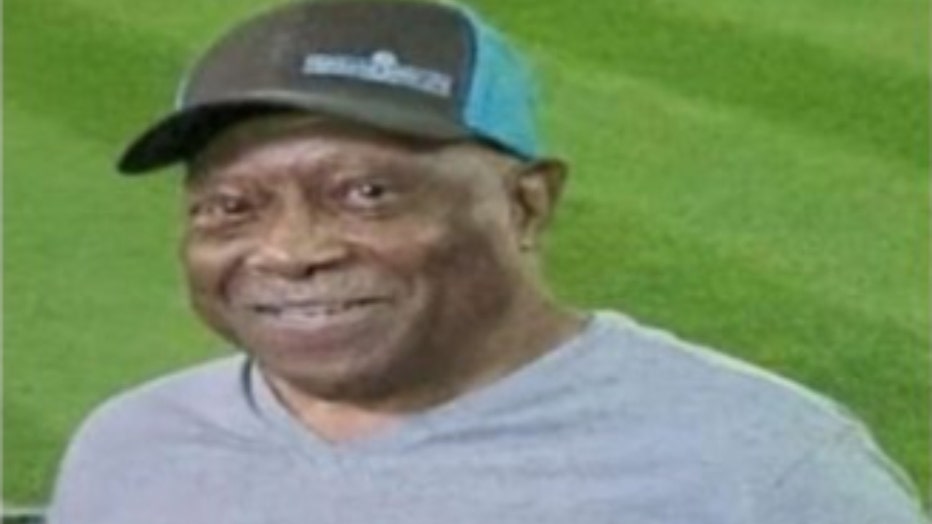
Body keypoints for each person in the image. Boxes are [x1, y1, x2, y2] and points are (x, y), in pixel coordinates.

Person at [48, 1, 927, 523]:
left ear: (525, 203)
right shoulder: (133, 444)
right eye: (230, 207)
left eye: (367, 193)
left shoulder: (756, 469)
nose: (290, 251)